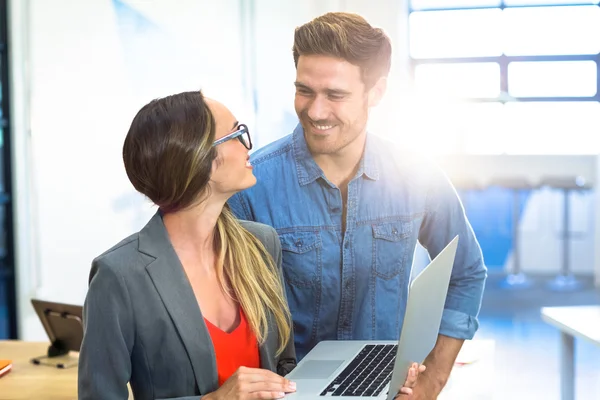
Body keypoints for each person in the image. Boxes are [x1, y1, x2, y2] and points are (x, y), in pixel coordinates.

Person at [228, 12, 487, 399]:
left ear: (376, 92)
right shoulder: (250, 187)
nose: (315, 111)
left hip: (387, 388)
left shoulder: (417, 175)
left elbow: (466, 272)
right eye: (305, 90)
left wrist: (433, 378)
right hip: (286, 392)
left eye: (335, 95)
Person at [78, 90, 298, 400]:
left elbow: (285, 368)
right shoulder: (119, 276)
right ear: (201, 159)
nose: (247, 145)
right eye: (236, 134)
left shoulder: (261, 244)